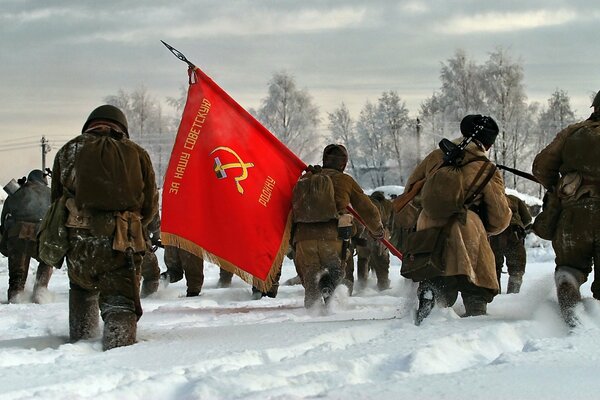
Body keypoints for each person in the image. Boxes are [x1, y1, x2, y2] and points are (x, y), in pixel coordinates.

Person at [51, 104, 158, 350]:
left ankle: (79, 341)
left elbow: (55, 199)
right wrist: (135, 224)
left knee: (80, 289)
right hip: (122, 242)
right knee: (120, 301)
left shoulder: (69, 150)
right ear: (121, 127)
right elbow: (150, 204)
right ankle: (116, 358)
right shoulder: (137, 153)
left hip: (78, 241)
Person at [406, 114, 511, 323]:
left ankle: (432, 297)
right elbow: (499, 216)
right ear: (488, 142)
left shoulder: (436, 156)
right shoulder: (484, 168)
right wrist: (485, 227)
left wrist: (430, 210)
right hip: (466, 225)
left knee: (433, 269)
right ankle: (474, 313)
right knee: (475, 277)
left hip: (427, 222)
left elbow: (411, 190)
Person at [532, 90, 600, 327]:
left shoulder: (574, 132)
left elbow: (540, 167)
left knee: (570, 268)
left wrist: (561, 186)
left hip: (574, 212)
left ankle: (571, 306)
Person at [291, 144, 384, 309]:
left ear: (324, 159)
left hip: (303, 239)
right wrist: (377, 230)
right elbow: (367, 209)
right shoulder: (345, 180)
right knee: (336, 272)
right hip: (332, 237)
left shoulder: (305, 179)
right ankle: (328, 291)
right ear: (344, 164)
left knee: (311, 283)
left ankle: (309, 319)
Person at [0, 169, 53, 303]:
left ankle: (16, 295)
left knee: (18, 270)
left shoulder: (17, 191)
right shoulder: (50, 193)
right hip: (41, 233)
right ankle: (41, 291)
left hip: (18, 233)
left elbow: (4, 215)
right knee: (46, 261)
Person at [489, 193, 532, 294]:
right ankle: (513, 294)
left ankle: (495, 295)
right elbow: (528, 219)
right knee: (516, 269)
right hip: (514, 234)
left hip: (493, 235)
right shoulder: (513, 199)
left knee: (493, 268)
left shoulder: (486, 198)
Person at [354, 191, 394, 291]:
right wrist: (389, 233)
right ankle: (383, 286)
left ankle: (361, 285)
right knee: (381, 261)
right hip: (380, 235)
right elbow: (392, 223)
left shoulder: (365, 203)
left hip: (363, 234)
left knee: (362, 260)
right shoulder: (388, 205)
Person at [140, 213, 162, 298]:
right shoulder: (144, 199)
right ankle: (148, 298)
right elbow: (154, 225)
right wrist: (156, 238)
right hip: (138, 243)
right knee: (152, 274)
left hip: (104, 244)